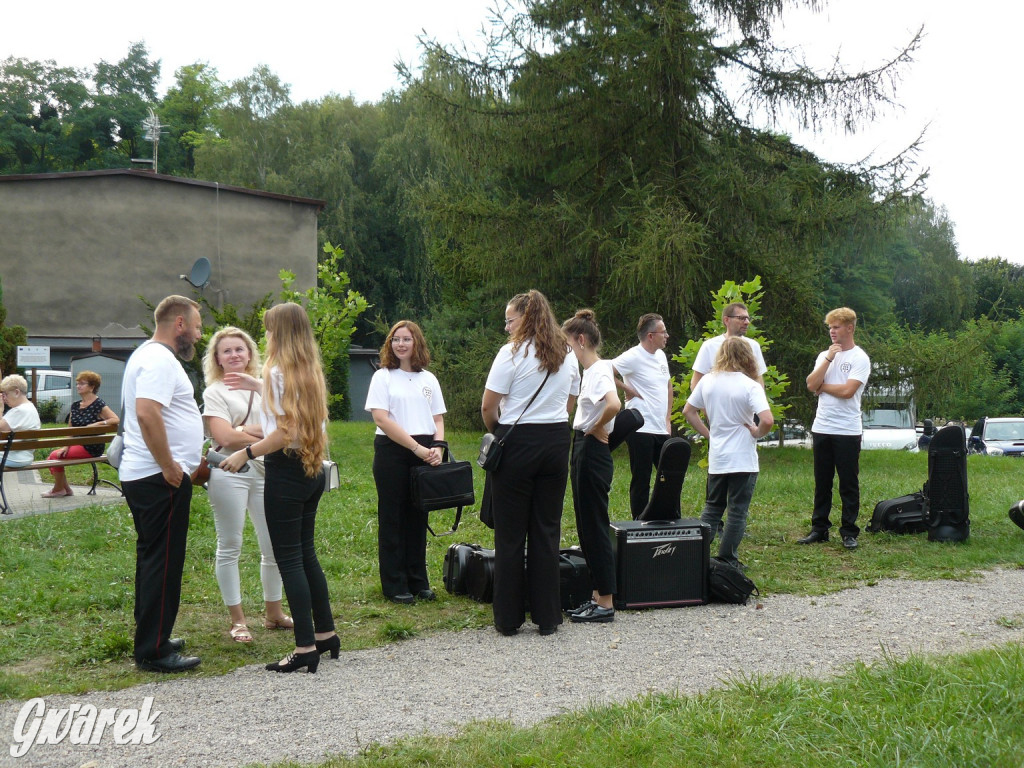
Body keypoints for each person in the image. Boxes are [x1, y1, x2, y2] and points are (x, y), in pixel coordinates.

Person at [220, 303, 339, 674]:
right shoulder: (308, 369)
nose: (265, 335)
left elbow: (284, 432)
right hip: (313, 469)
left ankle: (304, 647)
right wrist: (257, 384)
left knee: (289, 560)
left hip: (286, 471)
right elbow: (293, 414)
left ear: (280, 333)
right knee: (306, 555)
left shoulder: (275, 370)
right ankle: (326, 634)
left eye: (269, 329)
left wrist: (246, 453)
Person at [481, 290, 580, 637]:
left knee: (510, 535)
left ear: (524, 319)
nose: (507, 327)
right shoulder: (566, 353)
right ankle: (548, 617)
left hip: (517, 440)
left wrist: (501, 433)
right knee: (546, 530)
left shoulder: (510, 354)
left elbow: (488, 408)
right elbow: (570, 402)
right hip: (555, 441)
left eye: (510, 320)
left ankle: (508, 618)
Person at [119, 295, 204, 673]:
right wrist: (170, 465)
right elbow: (145, 412)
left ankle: (153, 635)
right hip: (158, 478)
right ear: (180, 324)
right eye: (198, 327)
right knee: (164, 563)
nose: (200, 336)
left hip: (148, 476)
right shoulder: (157, 359)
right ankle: (153, 650)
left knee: (153, 558)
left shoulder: (146, 356)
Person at [202, 326, 292, 643]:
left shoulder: (266, 386)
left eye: (239, 349)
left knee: (273, 546)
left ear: (250, 353)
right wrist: (261, 434)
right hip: (229, 472)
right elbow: (223, 438)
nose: (234, 355)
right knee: (230, 546)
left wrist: (244, 428)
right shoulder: (214, 392)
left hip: (268, 472)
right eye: (226, 351)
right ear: (217, 358)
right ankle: (238, 620)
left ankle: (274, 614)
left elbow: (287, 426)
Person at [365, 321, 446, 604]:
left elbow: (437, 418)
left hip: (425, 448)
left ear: (417, 343)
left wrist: (437, 446)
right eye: (395, 339)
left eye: (406, 339)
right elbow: (381, 418)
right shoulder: (383, 377)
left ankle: (418, 580)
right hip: (393, 450)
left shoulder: (429, 380)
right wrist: (416, 449)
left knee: (418, 516)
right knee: (393, 517)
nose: (400, 344)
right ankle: (394, 583)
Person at [683, 338, 774, 568]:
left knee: (712, 508)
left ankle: (696, 556)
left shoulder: (708, 382)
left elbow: (689, 411)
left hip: (719, 457)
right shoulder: (750, 385)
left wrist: (709, 434)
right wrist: (756, 433)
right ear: (747, 357)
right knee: (737, 511)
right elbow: (767, 420)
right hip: (742, 458)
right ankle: (727, 558)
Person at [563, 309, 620, 623]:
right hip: (582, 446)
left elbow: (614, 405)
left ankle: (606, 601)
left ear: (580, 340)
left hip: (592, 449)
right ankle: (597, 595)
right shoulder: (591, 372)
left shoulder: (599, 369)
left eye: (568, 343)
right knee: (585, 524)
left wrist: (597, 426)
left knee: (594, 524)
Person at [799, 307, 870, 550]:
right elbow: (810, 384)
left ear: (849, 328)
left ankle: (849, 532)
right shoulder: (824, 355)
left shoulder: (860, 358)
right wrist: (829, 359)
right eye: (830, 327)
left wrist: (824, 387)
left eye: (836, 327)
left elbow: (848, 391)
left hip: (847, 430)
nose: (832, 331)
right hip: (822, 426)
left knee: (848, 482)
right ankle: (819, 529)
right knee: (822, 481)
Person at [612, 313, 672, 519]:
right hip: (640, 428)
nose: (667, 335)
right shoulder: (633, 356)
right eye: (663, 332)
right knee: (642, 478)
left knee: (669, 477)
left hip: (660, 428)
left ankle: (668, 517)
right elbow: (603, 371)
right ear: (650, 335)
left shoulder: (661, 356)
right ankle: (640, 522)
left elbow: (668, 385)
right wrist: (625, 388)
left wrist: (667, 418)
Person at [42, 370, 119, 498]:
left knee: (54, 457)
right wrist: (66, 446)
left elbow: (116, 419)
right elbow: (70, 428)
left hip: (91, 447)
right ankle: (64, 489)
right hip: (76, 444)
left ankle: (59, 489)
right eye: (77, 383)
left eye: (82, 383)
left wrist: (98, 424)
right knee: (54, 456)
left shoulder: (98, 404)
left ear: (92, 387)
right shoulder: (75, 406)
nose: (78, 386)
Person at [690, 302, 767, 391]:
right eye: (741, 318)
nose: (747, 322)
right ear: (726, 320)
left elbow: (758, 380)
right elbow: (696, 382)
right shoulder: (710, 346)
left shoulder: (753, 346)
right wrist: (702, 404)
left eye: (747, 318)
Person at [0, 375, 42, 466]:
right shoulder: (30, 407)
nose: (4, 398)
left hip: (12, 457)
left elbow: (1, 429)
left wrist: (0, 409)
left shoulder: (19, 411)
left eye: (6, 394)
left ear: (16, 392)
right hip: (25, 456)